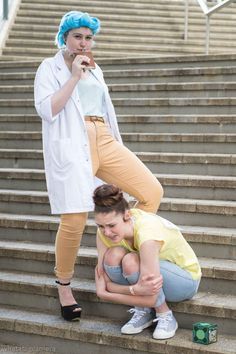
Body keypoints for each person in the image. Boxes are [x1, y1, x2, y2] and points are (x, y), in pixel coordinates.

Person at [34, 11, 163, 321]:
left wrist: (86, 73)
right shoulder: (49, 68)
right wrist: (74, 76)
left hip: (103, 138)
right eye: (78, 36)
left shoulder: (96, 68)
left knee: (151, 191)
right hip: (73, 141)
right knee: (75, 219)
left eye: (89, 37)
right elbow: (47, 110)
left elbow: (103, 109)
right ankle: (64, 286)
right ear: (64, 37)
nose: (84, 43)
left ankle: (115, 257)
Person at [94, 184, 201, 340]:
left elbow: (150, 295)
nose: (107, 232)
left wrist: (105, 293)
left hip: (185, 281)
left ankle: (165, 314)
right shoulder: (103, 231)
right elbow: (101, 273)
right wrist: (136, 290)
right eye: (101, 226)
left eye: (111, 225)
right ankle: (143, 310)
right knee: (113, 255)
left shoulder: (147, 233)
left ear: (127, 215)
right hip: (150, 279)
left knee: (130, 260)